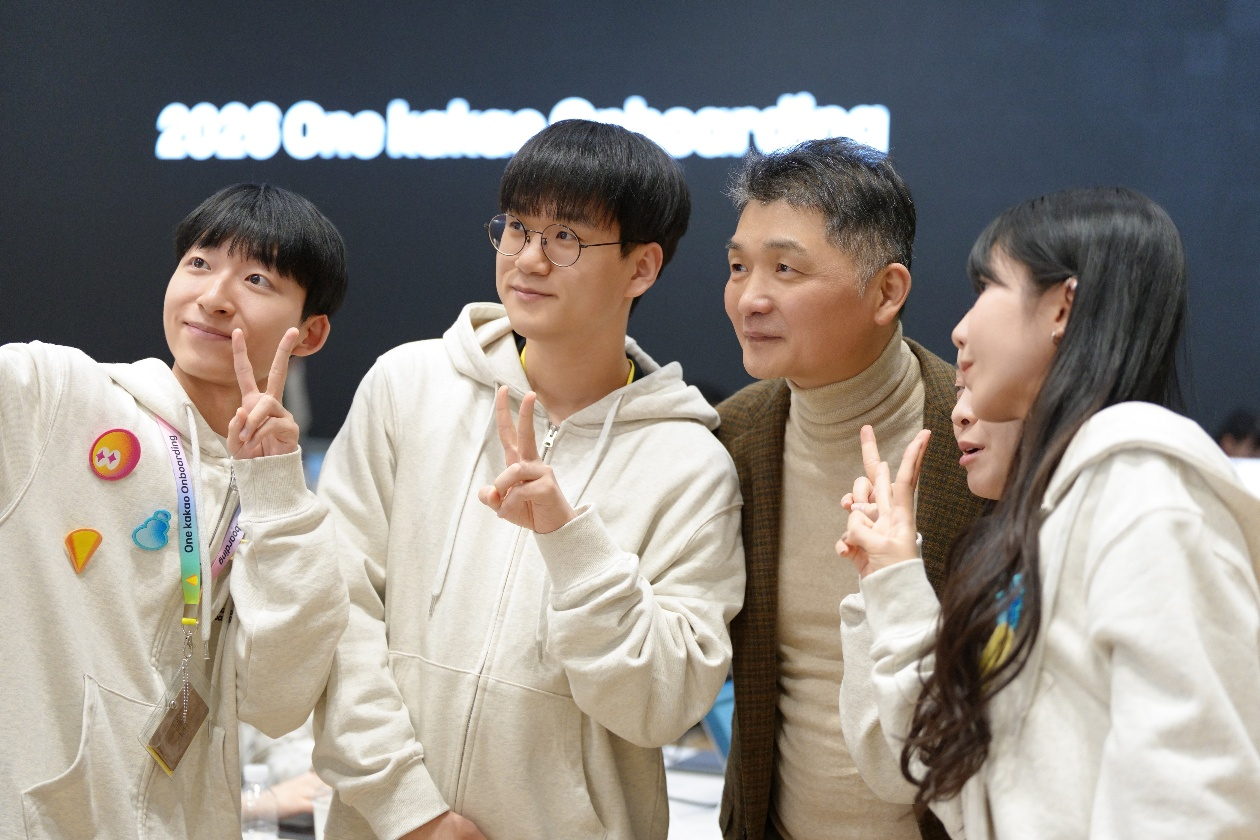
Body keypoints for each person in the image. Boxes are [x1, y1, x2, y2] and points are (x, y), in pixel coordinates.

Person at [312, 119, 745, 840]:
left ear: (641, 268)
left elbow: (663, 705)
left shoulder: (691, 464)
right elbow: (337, 612)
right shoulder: (408, 385)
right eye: (516, 228)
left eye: (566, 237)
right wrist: (408, 810)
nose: (528, 259)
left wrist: (572, 544)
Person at [840, 186, 1260, 838]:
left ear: (1062, 306)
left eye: (987, 287)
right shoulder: (1060, 512)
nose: (959, 330)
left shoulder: (1145, 493)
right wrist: (891, 581)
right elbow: (963, 776)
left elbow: (1191, 801)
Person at [0, 183, 350, 837]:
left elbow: (277, 701)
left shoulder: (287, 509)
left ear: (310, 333)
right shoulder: (58, 395)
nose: (214, 296)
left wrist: (275, 489)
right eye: (199, 263)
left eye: (256, 279)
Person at [716, 136, 984, 840]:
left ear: (886, 291)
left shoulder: (980, 440)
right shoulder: (733, 438)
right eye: (739, 267)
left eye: (785, 268)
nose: (750, 298)